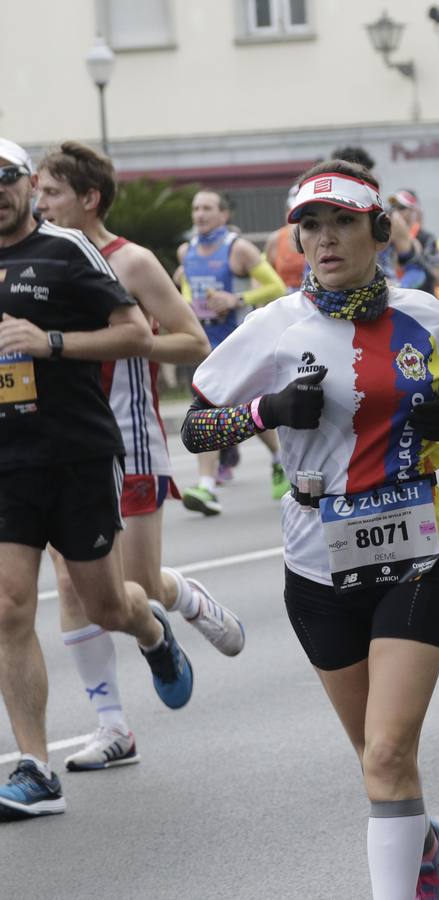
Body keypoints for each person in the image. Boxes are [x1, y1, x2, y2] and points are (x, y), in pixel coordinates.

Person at [182, 159, 439, 898]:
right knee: (376, 760)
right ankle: (429, 842)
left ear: (378, 231)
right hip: (317, 563)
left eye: (343, 223)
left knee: (388, 754)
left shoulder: (424, 314)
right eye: (310, 226)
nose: (324, 239)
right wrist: (267, 412)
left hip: (418, 551)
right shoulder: (273, 328)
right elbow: (198, 426)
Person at [34, 141, 246, 771]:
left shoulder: (133, 262)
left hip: (129, 438)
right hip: (62, 444)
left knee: (138, 585)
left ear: (88, 197)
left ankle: (184, 599)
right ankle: (113, 726)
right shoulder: (33, 262)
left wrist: (116, 341)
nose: (38, 203)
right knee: (72, 582)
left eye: (50, 193)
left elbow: (192, 341)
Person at [0, 136, 195, 820]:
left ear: (26, 183)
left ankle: (153, 633)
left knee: (107, 604)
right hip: (6, 462)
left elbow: (136, 334)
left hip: (78, 454)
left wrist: (50, 343)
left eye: (6, 177)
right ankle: (34, 767)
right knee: (9, 606)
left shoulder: (66, 251)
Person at [176, 189, 287, 514]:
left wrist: (234, 300)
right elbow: (187, 290)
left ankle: (212, 483)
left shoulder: (238, 249)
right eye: (196, 208)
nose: (200, 215)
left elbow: (276, 287)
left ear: (224, 214)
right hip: (203, 342)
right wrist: (185, 306)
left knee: (225, 409)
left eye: (207, 208)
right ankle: (213, 484)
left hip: (236, 343)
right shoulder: (188, 251)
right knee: (219, 409)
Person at [387, 189, 439, 295]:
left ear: (413, 212)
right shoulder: (385, 237)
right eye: (393, 207)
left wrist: (413, 252)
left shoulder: (426, 238)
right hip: (394, 299)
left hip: (422, 299)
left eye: (401, 208)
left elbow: (438, 278)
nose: (396, 212)